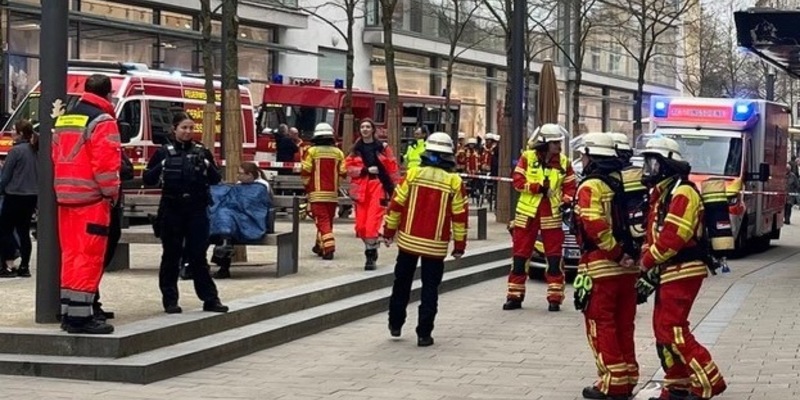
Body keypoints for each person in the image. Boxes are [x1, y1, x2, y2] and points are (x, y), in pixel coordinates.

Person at [638, 137, 727, 400]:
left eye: (653, 163)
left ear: (667, 165)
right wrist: (648, 261)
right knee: (662, 329)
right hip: (668, 270)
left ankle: (709, 382)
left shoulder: (683, 192)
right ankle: (677, 385)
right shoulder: (662, 193)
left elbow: (674, 236)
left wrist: (647, 262)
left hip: (684, 269)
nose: (648, 169)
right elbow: (653, 233)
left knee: (674, 328)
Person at [51, 74, 121, 334]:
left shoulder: (65, 119)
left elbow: (55, 155)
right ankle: (81, 319)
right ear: (108, 94)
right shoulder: (103, 121)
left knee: (70, 255)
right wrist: (111, 193)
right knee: (88, 257)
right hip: (91, 199)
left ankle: (69, 312)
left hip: (65, 198)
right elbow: (105, 164)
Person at [572, 133, 639, 400]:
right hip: (630, 270)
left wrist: (615, 252)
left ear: (592, 156)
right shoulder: (629, 182)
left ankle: (612, 382)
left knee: (602, 324)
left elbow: (594, 225)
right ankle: (629, 376)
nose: (582, 160)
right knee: (625, 324)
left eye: (583, 155)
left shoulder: (591, 187)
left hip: (602, 265)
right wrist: (629, 256)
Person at [384, 132, 467, 347]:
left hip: (408, 241)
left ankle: (395, 323)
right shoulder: (454, 181)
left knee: (401, 283)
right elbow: (459, 218)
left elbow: (396, 205)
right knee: (430, 289)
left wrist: (388, 232)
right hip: (435, 245)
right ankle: (424, 334)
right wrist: (459, 246)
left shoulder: (412, 174)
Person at [143, 112, 228, 314]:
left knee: (198, 255)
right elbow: (148, 178)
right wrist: (163, 166)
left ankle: (210, 299)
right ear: (175, 129)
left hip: (196, 210)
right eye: (184, 128)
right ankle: (170, 300)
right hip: (172, 209)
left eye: (191, 128)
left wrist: (207, 165)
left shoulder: (202, 151)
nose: (188, 132)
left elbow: (216, 180)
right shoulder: (164, 152)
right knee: (171, 256)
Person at [503, 123, 577, 312]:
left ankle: (554, 298)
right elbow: (518, 182)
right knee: (520, 257)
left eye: (559, 142)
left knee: (553, 258)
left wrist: (567, 200)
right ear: (544, 143)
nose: (559, 146)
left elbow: (570, 188)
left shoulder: (564, 162)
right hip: (527, 214)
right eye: (555, 143)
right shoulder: (527, 158)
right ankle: (514, 296)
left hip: (551, 214)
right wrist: (537, 187)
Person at [345, 118, 400, 270]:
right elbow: (346, 169)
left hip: (378, 187)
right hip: (361, 189)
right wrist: (364, 171)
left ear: (373, 130)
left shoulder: (382, 148)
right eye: (362, 127)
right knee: (361, 226)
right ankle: (372, 247)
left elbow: (393, 168)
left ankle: (370, 256)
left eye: (368, 127)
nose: (365, 129)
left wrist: (396, 191)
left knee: (371, 223)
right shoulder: (355, 149)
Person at [212, 162, 273, 279]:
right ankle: (222, 251)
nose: (238, 176)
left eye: (240, 174)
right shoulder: (239, 185)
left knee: (225, 217)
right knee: (220, 219)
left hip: (250, 219)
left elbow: (254, 205)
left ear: (249, 175)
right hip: (235, 218)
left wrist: (235, 206)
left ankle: (224, 263)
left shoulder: (261, 186)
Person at [301, 122, 346, 260]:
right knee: (327, 220)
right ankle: (319, 246)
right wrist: (336, 187)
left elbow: (306, 171)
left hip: (317, 193)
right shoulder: (338, 152)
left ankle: (329, 248)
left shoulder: (312, 151)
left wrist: (307, 187)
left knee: (322, 221)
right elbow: (343, 172)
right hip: (332, 195)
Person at [0, 119, 38, 278]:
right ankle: (25, 266)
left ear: (21, 133)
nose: (12, 132)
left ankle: (7, 265)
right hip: (31, 196)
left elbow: (6, 176)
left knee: (4, 230)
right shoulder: (35, 150)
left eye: (14, 130)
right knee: (23, 231)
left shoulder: (15, 152)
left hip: (14, 194)